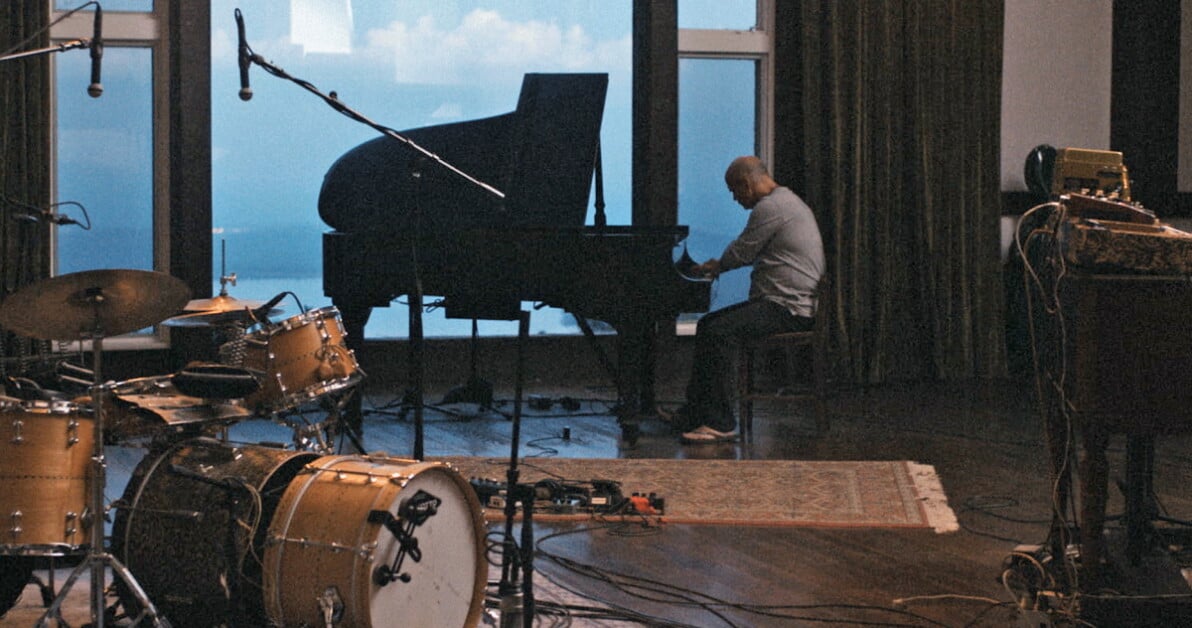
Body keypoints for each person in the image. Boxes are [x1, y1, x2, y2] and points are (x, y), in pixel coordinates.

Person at [669, 156, 825, 443]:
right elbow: (745, 251)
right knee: (708, 325)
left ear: (746, 184)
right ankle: (694, 414)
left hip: (788, 308)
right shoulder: (787, 201)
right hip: (782, 302)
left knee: (718, 330)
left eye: (734, 191)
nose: (735, 198)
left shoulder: (772, 207)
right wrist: (717, 265)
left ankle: (721, 423)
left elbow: (743, 250)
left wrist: (716, 267)